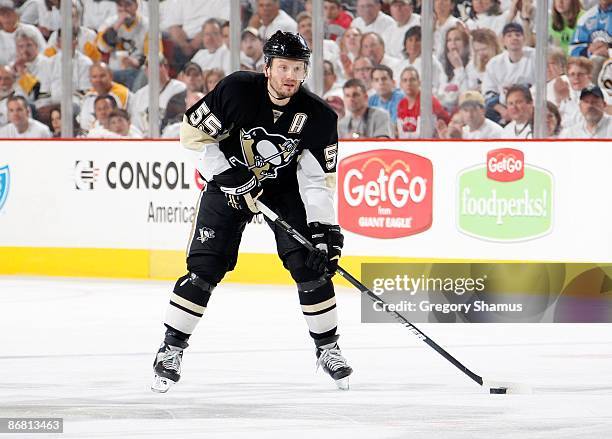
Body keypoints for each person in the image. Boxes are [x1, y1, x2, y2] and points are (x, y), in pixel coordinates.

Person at [152, 31, 352, 393]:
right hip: (227, 182)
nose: (290, 75)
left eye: (298, 68)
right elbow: (192, 134)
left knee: (311, 265)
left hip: (282, 189)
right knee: (204, 269)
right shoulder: (237, 89)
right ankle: (170, 348)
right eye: (283, 66)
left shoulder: (319, 115)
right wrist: (227, 174)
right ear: (267, 67)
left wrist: (325, 230)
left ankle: (328, 349)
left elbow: (315, 180)